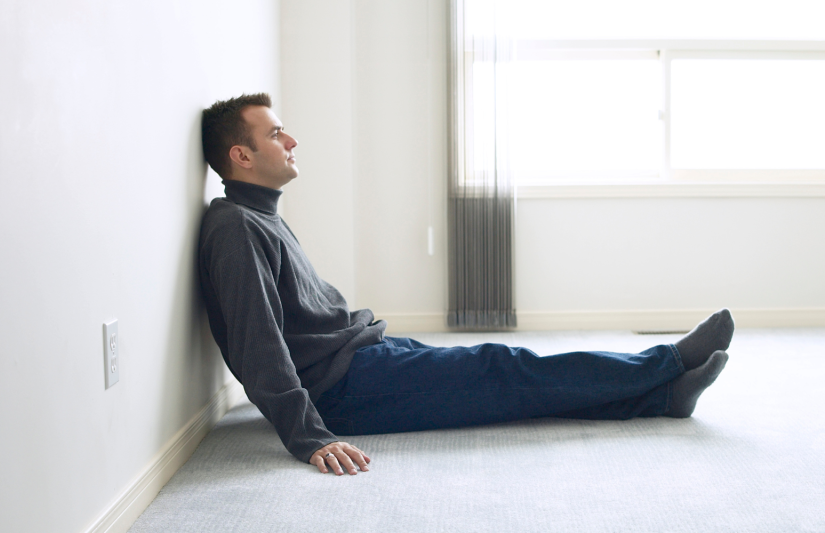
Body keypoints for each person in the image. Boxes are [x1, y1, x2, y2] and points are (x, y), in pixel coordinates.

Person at [197, 93, 733, 477]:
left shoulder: (257, 215)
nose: (291, 140)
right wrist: (308, 433)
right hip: (344, 390)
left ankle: (664, 395)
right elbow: (257, 342)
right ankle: (666, 363)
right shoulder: (236, 229)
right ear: (241, 156)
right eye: (274, 133)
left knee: (499, 385)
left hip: (361, 356)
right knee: (503, 369)